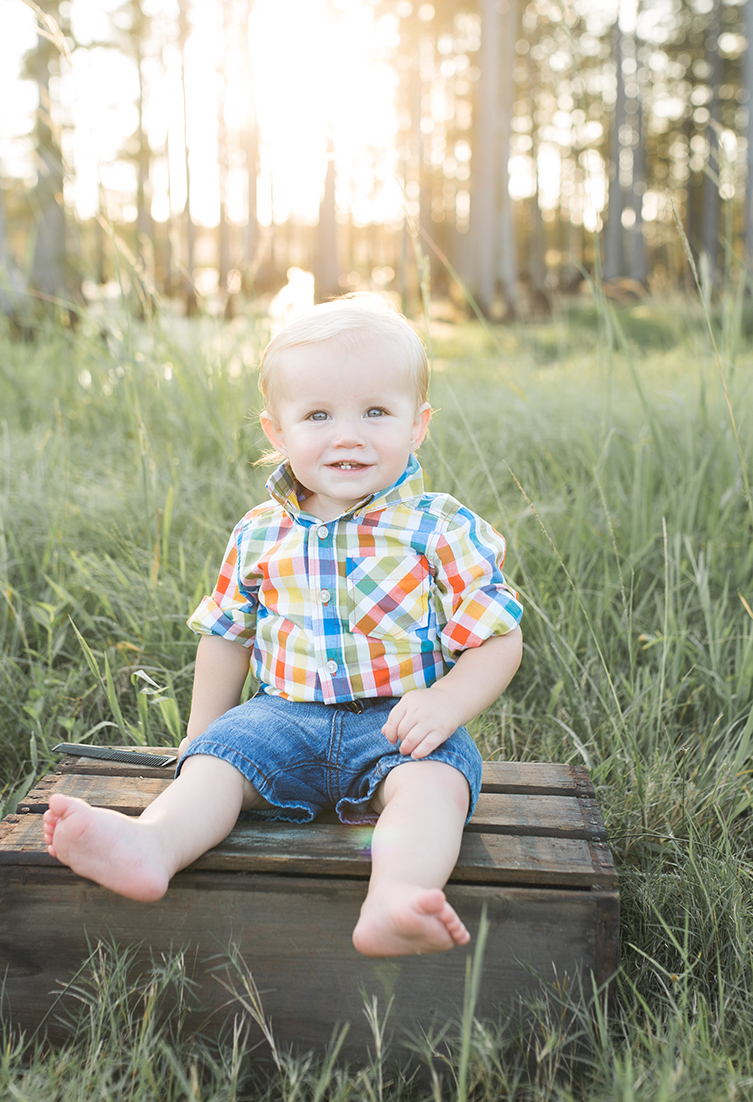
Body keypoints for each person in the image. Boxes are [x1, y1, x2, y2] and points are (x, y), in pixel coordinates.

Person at [44, 298, 523, 957]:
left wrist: (446, 704)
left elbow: (498, 636)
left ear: (418, 426)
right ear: (278, 432)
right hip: (281, 716)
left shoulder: (440, 529)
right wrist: (198, 734)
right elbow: (227, 634)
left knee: (435, 784)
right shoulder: (260, 531)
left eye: (376, 412)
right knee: (217, 764)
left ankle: (396, 897)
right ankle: (150, 845)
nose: (347, 435)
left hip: (397, 724)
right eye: (318, 415)